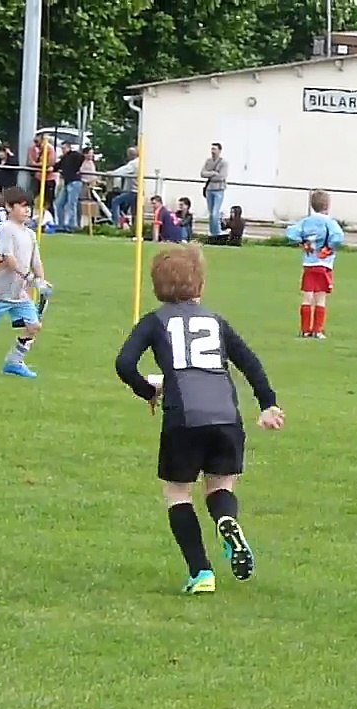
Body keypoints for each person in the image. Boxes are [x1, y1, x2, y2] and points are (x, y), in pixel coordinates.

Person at [113, 244, 285, 594]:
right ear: (200, 286)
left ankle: (201, 572)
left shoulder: (154, 322)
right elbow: (249, 362)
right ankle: (226, 520)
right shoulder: (215, 320)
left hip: (183, 418)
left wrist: (149, 392)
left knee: (178, 492)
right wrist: (267, 403)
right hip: (225, 415)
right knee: (220, 485)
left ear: (157, 286)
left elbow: (124, 364)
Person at [0, 187, 50, 379]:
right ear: (10, 207)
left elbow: (36, 260)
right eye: (22, 206)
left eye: (29, 207)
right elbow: (8, 258)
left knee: (33, 325)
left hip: (18, 295)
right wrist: (27, 276)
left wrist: (41, 280)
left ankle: (14, 362)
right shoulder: (6, 228)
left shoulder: (30, 234)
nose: (27, 210)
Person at [286, 189, 345, 339]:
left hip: (309, 264)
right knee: (321, 297)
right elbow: (338, 237)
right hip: (324, 265)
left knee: (307, 296)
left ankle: (305, 329)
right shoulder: (329, 222)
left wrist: (302, 243)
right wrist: (329, 247)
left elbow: (291, 233)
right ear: (327, 206)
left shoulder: (306, 221)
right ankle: (318, 330)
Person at [200, 143, 229, 238]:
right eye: (211, 149)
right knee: (210, 213)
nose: (212, 151)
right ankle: (212, 232)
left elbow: (222, 177)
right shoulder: (208, 161)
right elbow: (203, 173)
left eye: (214, 149)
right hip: (209, 189)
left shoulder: (223, 163)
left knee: (215, 213)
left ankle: (217, 232)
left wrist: (211, 175)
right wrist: (213, 173)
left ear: (219, 150)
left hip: (219, 189)